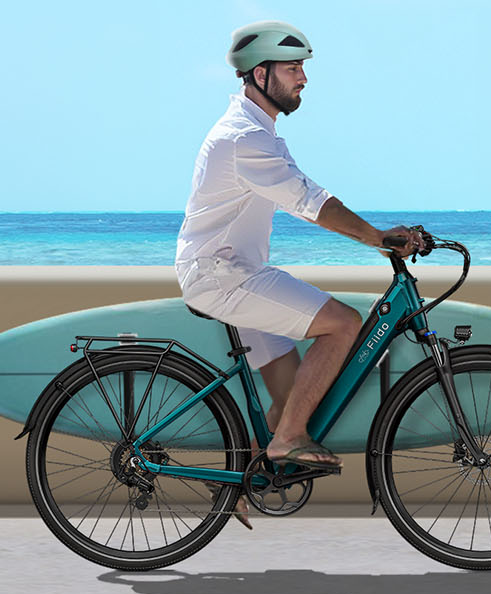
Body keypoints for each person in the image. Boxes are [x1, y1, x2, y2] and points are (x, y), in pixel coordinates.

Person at [177, 20, 425, 473]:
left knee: (292, 399)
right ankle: (288, 441)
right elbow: (309, 201)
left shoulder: (260, 133)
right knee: (344, 324)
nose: (303, 79)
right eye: (293, 68)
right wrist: (376, 238)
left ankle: (244, 475)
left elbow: (304, 197)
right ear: (258, 74)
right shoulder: (243, 139)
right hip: (224, 277)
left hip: (236, 273)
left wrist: (376, 234)